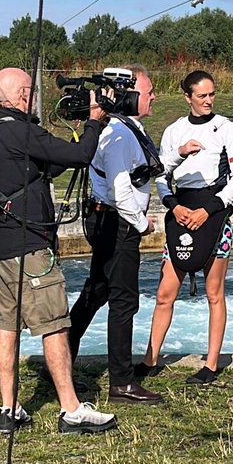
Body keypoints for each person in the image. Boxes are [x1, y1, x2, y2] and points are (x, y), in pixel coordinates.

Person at [0, 67, 118, 435]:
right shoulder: (21, 130)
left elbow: (56, 161)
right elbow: (81, 157)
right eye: (33, 92)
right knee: (56, 326)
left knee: (7, 325)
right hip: (29, 247)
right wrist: (93, 121)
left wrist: (78, 131)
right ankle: (71, 409)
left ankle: (8, 408)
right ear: (23, 95)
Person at [136, 70, 233, 385]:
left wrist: (208, 210)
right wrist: (174, 205)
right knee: (164, 293)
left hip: (214, 214)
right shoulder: (174, 130)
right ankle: (150, 359)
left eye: (212, 95)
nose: (209, 100)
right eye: (202, 96)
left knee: (214, 293)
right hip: (181, 213)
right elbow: (159, 174)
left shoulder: (226, 128)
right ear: (188, 97)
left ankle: (210, 365)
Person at [68, 68, 164, 405]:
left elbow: (145, 169)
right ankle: (122, 383)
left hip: (104, 219)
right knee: (124, 301)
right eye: (149, 91)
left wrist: (178, 154)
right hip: (119, 224)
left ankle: (60, 364)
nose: (153, 97)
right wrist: (141, 225)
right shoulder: (121, 135)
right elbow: (123, 191)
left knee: (95, 294)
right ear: (130, 94)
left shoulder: (120, 129)